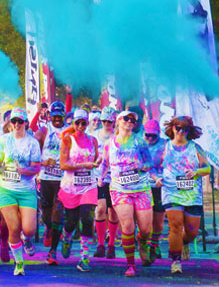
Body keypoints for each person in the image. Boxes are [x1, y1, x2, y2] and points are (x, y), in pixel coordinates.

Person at [100, 110, 153, 277]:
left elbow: (149, 162)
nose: (130, 122)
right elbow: (104, 163)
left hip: (141, 188)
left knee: (145, 228)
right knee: (127, 226)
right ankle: (130, 264)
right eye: (126, 119)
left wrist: (141, 166)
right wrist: (100, 177)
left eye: (133, 120)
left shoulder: (140, 142)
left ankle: (142, 240)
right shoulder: (110, 143)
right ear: (118, 121)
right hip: (119, 189)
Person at [0, 108, 42, 276]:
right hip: (6, 190)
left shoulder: (32, 142)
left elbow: (36, 167)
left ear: (26, 123)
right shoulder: (2, 140)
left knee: (29, 230)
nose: (17, 124)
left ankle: (26, 239)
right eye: (14, 121)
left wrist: (24, 170)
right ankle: (19, 262)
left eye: (20, 121)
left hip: (27, 191)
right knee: (13, 227)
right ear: (10, 123)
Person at [158, 116, 210, 274]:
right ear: (172, 128)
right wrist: (157, 177)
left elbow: (207, 168)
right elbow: (153, 166)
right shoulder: (165, 147)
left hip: (192, 194)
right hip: (171, 191)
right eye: (177, 128)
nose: (180, 131)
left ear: (189, 131)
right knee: (175, 225)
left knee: (192, 231)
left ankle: (183, 242)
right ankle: (175, 261)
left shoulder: (195, 148)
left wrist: (196, 172)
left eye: (185, 129)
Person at [57, 109, 99, 272]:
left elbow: (95, 159)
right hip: (71, 187)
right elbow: (63, 164)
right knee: (71, 222)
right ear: (73, 123)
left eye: (84, 123)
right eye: (78, 123)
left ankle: (85, 258)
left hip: (89, 185)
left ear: (87, 123)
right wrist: (83, 165)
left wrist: (98, 160)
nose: (81, 126)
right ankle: (66, 238)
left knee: (87, 219)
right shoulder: (67, 139)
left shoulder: (93, 140)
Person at [36, 100, 68, 265]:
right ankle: (48, 228)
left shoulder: (68, 132)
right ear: (50, 116)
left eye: (59, 116)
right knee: (47, 214)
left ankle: (53, 251)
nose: (57, 119)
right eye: (54, 116)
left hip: (62, 180)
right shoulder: (44, 131)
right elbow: (32, 153)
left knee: (58, 213)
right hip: (46, 178)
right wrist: (43, 163)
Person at [93, 106, 118, 259]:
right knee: (100, 209)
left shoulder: (117, 137)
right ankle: (101, 244)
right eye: (104, 121)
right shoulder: (94, 136)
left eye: (110, 121)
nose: (107, 124)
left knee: (113, 211)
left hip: (114, 178)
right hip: (98, 177)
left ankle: (112, 244)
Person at [143, 119, 167, 263]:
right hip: (143, 186)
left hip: (159, 186)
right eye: (148, 135)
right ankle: (144, 245)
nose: (150, 138)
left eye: (153, 136)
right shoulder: (139, 144)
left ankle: (155, 245)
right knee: (145, 220)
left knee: (158, 221)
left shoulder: (165, 145)